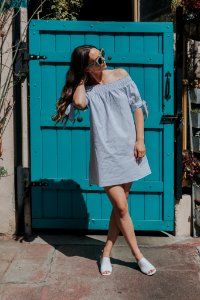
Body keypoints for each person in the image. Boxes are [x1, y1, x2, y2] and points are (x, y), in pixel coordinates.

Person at [52, 45, 156, 276]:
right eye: (96, 61)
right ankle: (138, 256)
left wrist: (140, 140)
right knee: (120, 206)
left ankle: (106, 253)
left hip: (129, 149)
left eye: (102, 56)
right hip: (105, 153)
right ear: (86, 68)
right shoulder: (86, 88)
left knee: (121, 209)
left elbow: (138, 107)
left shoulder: (121, 75)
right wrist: (81, 77)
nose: (103, 61)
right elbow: (79, 104)